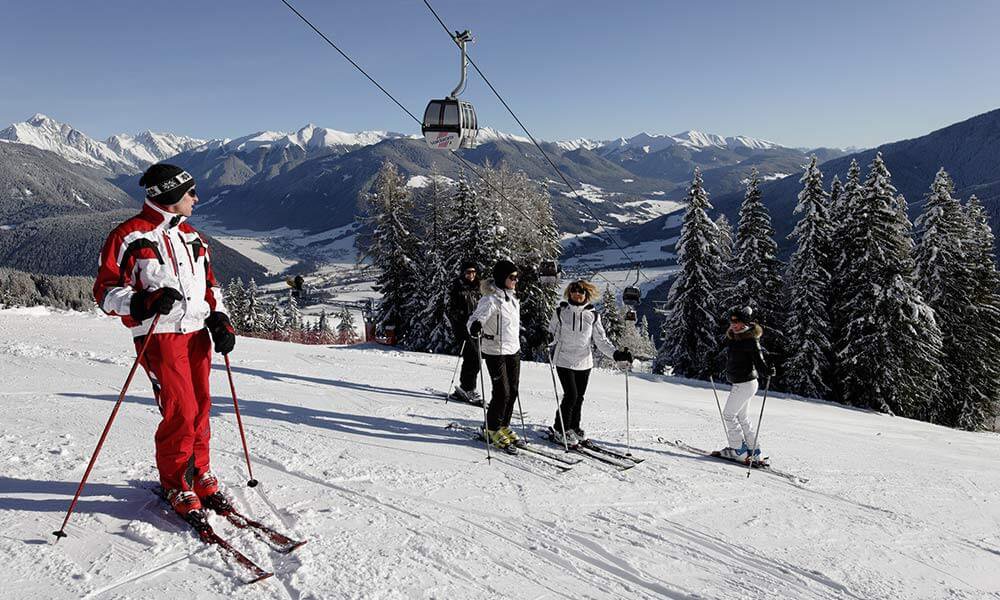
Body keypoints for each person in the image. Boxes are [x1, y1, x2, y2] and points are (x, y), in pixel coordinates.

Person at [93, 163, 236, 518]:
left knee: (201, 407)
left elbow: (209, 287)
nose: (196, 199)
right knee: (180, 410)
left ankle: (199, 470)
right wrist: (142, 302)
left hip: (196, 333)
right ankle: (176, 482)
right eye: (190, 193)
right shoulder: (129, 236)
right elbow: (105, 292)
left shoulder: (193, 238)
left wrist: (219, 318)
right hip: (159, 336)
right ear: (171, 195)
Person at [546, 280, 633, 448]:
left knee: (579, 397)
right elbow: (553, 334)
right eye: (574, 291)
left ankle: (574, 426)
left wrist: (616, 354)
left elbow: (601, 341)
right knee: (570, 395)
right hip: (564, 360)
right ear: (569, 293)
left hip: (584, 362)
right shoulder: (560, 312)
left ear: (587, 294)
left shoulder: (592, 315)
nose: (577, 294)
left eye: (581, 291)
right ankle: (560, 428)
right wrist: (546, 338)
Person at [467, 259, 523, 452]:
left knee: (513, 391)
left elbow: (512, 326)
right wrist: (476, 326)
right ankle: (490, 428)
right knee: (502, 392)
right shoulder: (490, 300)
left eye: (517, 277)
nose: (516, 280)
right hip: (495, 351)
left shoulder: (513, 299)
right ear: (502, 277)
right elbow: (474, 319)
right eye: (512, 277)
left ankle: (503, 425)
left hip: (513, 350)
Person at [717, 306, 773, 464]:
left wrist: (767, 370)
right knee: (742, 417)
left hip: (745, 383)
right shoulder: (735, 337)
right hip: (743, 383)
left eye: (737, 321)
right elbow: (730, 358)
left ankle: (738, 450)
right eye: (732, 321)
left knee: (728, 415)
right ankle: (754, 452)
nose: (733, 324)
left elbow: (759, 361)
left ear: (745, 322)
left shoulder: (749, 339)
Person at [446, 261, 483, 405]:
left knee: (475, 358)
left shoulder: (478, 288)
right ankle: (468, 388)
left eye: (473, 272)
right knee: (473, 356)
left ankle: (466, 387)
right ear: (463, 273)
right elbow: (450, 308)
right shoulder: (457, 288)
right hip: (462, 328)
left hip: (474, 328)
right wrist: (460, 316)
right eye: (468, 272)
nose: (471, 275)